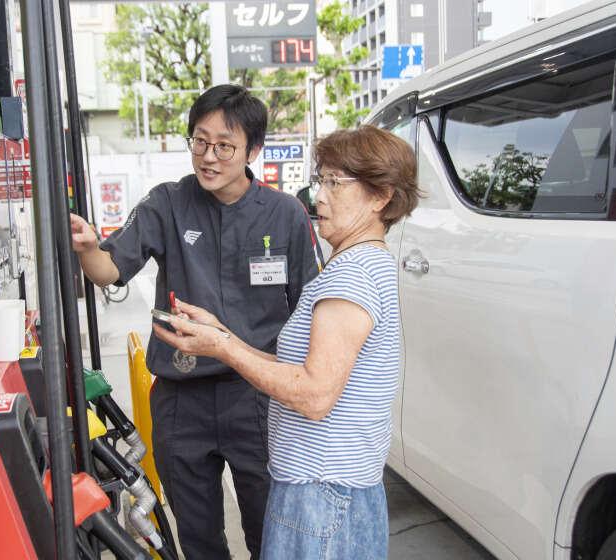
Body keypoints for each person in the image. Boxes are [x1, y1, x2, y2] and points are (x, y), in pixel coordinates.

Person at [70, 84, 324, 559]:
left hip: (257, 399)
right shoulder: (167, 203)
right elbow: (109, 268)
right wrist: (87, 248)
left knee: (273, 534)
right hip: (180, 401)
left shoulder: (285, 214)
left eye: (225, 145)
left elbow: (308, 310)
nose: (209, 156)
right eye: (199, 141)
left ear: (252, 150)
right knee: (200, 539)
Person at [154, 126, 420, 559]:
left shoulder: (352, 275)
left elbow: (314, 395)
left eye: (337, 183)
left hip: (320, 495)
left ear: (381, 196)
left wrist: (223, 349)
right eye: (322, 180)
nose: (320, 195)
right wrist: (223, 336)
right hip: (329, 491)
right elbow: (298, 367)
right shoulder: (363, 264)